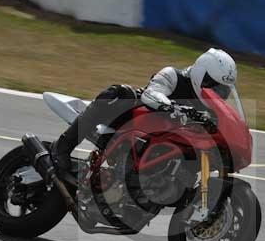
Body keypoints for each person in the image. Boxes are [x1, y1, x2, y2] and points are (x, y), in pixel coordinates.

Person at [50, 48, 237, 181]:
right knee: (118, 93)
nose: (218, 94)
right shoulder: (173, 76)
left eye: (223, 90)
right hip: (135, 128)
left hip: (169, 149)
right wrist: (172, 107)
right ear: (201, 75)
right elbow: (151, 94)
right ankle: (62, 148)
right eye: (215, 87)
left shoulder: (213, 107)